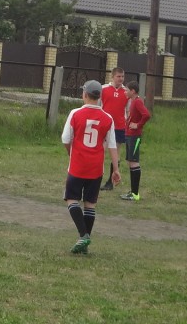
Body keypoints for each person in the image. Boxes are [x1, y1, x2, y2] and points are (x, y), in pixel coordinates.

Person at [62, 79, 121, 254]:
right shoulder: (108, 118)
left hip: (78, 165)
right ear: (99, 97)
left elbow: (65, 139)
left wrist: (70, 152)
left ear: (85, 95)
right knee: (90, 204)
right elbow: (112, 145)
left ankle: (83, 236)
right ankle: (84, 245)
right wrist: (116, 169)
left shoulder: (75, 113)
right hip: (96, 168)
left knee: (72, 199)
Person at [121, 80, 151, 201]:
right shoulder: (133, 101)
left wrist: (138, 125)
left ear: (132, 91)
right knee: (130, 162)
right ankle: (133, 191)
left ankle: (135, 194)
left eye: (127, 90)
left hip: (134, 136)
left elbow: (146, 115)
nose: (125, 92)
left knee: (134, 162)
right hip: (129, 135)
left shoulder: (138, 101)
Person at [99, 67, 128, 190]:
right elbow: (98, 105)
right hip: (105, 125)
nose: (121, 79)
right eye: (118, 76)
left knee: (116, 153)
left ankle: (111, 182)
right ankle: (96, 177)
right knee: (101, 151)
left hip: (119, 126)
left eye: (122, 76)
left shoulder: (126, 92)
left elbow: (128, 110)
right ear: (112, 77)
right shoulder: (103, 89)